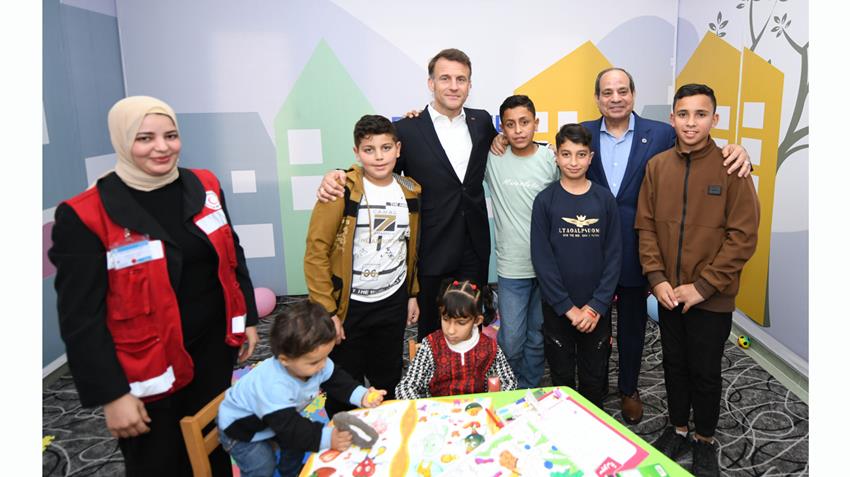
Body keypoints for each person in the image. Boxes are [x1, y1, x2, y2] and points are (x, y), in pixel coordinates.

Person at [492, 67, 752, 423]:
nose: (615, 98)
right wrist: (499, 139)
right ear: (597, 98)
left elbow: (696, 147)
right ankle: (576, 392)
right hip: (585, 254)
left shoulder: (660, 133)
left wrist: (736, 150)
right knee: (582, 331)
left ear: (633, 94)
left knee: (632, 329)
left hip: (635, 251)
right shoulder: (582, 135)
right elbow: (536, 153)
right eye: (607, 92)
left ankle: (629, 388)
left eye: (622, 91)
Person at [48, 96, 259, 476]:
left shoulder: (205, 185)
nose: (162, 147)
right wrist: (112, 395)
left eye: (171, 136)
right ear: (121, 139)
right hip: (147, 369)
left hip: (212, 350)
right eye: (145, 138)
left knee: (214, 447)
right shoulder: (85, 215)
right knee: (159, 462)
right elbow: (80, 318)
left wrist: (247, 319)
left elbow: (232, 252)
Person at [316, 48, 498, 342]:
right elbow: (377, 166)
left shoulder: (483, 122)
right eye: (445, 78)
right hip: (430, 249)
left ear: (469, 85)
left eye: (461, 79)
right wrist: (338, 174)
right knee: (432, 333)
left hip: (474, 247)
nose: (453, 86)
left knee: (470, 327)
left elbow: (513, 143)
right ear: (431, 83)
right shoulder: (407, 129)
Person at [636, 84, 759, 477]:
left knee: (705, 370)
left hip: (712, 297)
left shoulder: (732, 167)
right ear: (672, 118)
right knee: (674, 364)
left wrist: (703, 286)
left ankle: (704, 438)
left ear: (714, 119)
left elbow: (743, 237)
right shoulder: (657, 167)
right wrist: (657, 278)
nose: (691, 123)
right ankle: (677, 428)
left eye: (701, 114)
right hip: (669, 294)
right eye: (684, 114)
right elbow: (646, 228)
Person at [304, 114, 421, 417]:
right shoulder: (340, 189)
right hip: (349, 306)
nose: (379, 157)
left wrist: (411, 293)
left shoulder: (410, 191)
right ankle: (343, 438)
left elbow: (410, 249)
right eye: (369, 150)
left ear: (398, 149)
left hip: (392, 300)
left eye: (386, 148)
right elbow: (316, 252)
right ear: (357, 153)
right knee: (344, 383)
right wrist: (328, 311)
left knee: (388, 378)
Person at [217, 300, 385, 477]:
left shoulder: (313, 363)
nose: (323, 365)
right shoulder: (274, 387)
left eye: (326, 357)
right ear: (285, 360)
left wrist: (362, 395)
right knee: (263, 466)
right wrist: (328, 438)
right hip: (241, 430)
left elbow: (337, 380)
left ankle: (291, 472)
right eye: (315, 362)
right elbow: (291, 428)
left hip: (276, 420)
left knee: (296, 444)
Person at [530, 124, 622, 410]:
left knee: (594, 375)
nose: (573, 162)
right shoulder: (545, 201)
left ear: (590, 157)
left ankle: (593, 424)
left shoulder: (604, 200)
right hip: (559, 308)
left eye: (581, 154)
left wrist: (596, 306)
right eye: (566, 154)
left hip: (596, 309)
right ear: (556, 156)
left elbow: (614, 257)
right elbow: (542, 260)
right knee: (561, 375)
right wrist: (568, 308)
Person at [485, 95, 558, 389]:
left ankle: (529, 389)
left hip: (546, 266)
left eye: (524, 122)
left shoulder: (551, 159)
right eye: (510, 124)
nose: (518, 130)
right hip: (512, 267)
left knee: (537, 336)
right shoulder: (493, 158)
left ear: (536, 123)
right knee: (512, 338)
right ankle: (506, 389)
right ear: (501, 128)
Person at [395, 279, 517, 399]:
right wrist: (424, 408)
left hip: (478, 409)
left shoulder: (490, 348)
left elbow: (509, 382)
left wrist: (493, 400)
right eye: (446, 319)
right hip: (439, 410)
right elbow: (405, 388)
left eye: (461, 323)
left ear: (477, 321)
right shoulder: (431, 345)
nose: (451, 330)